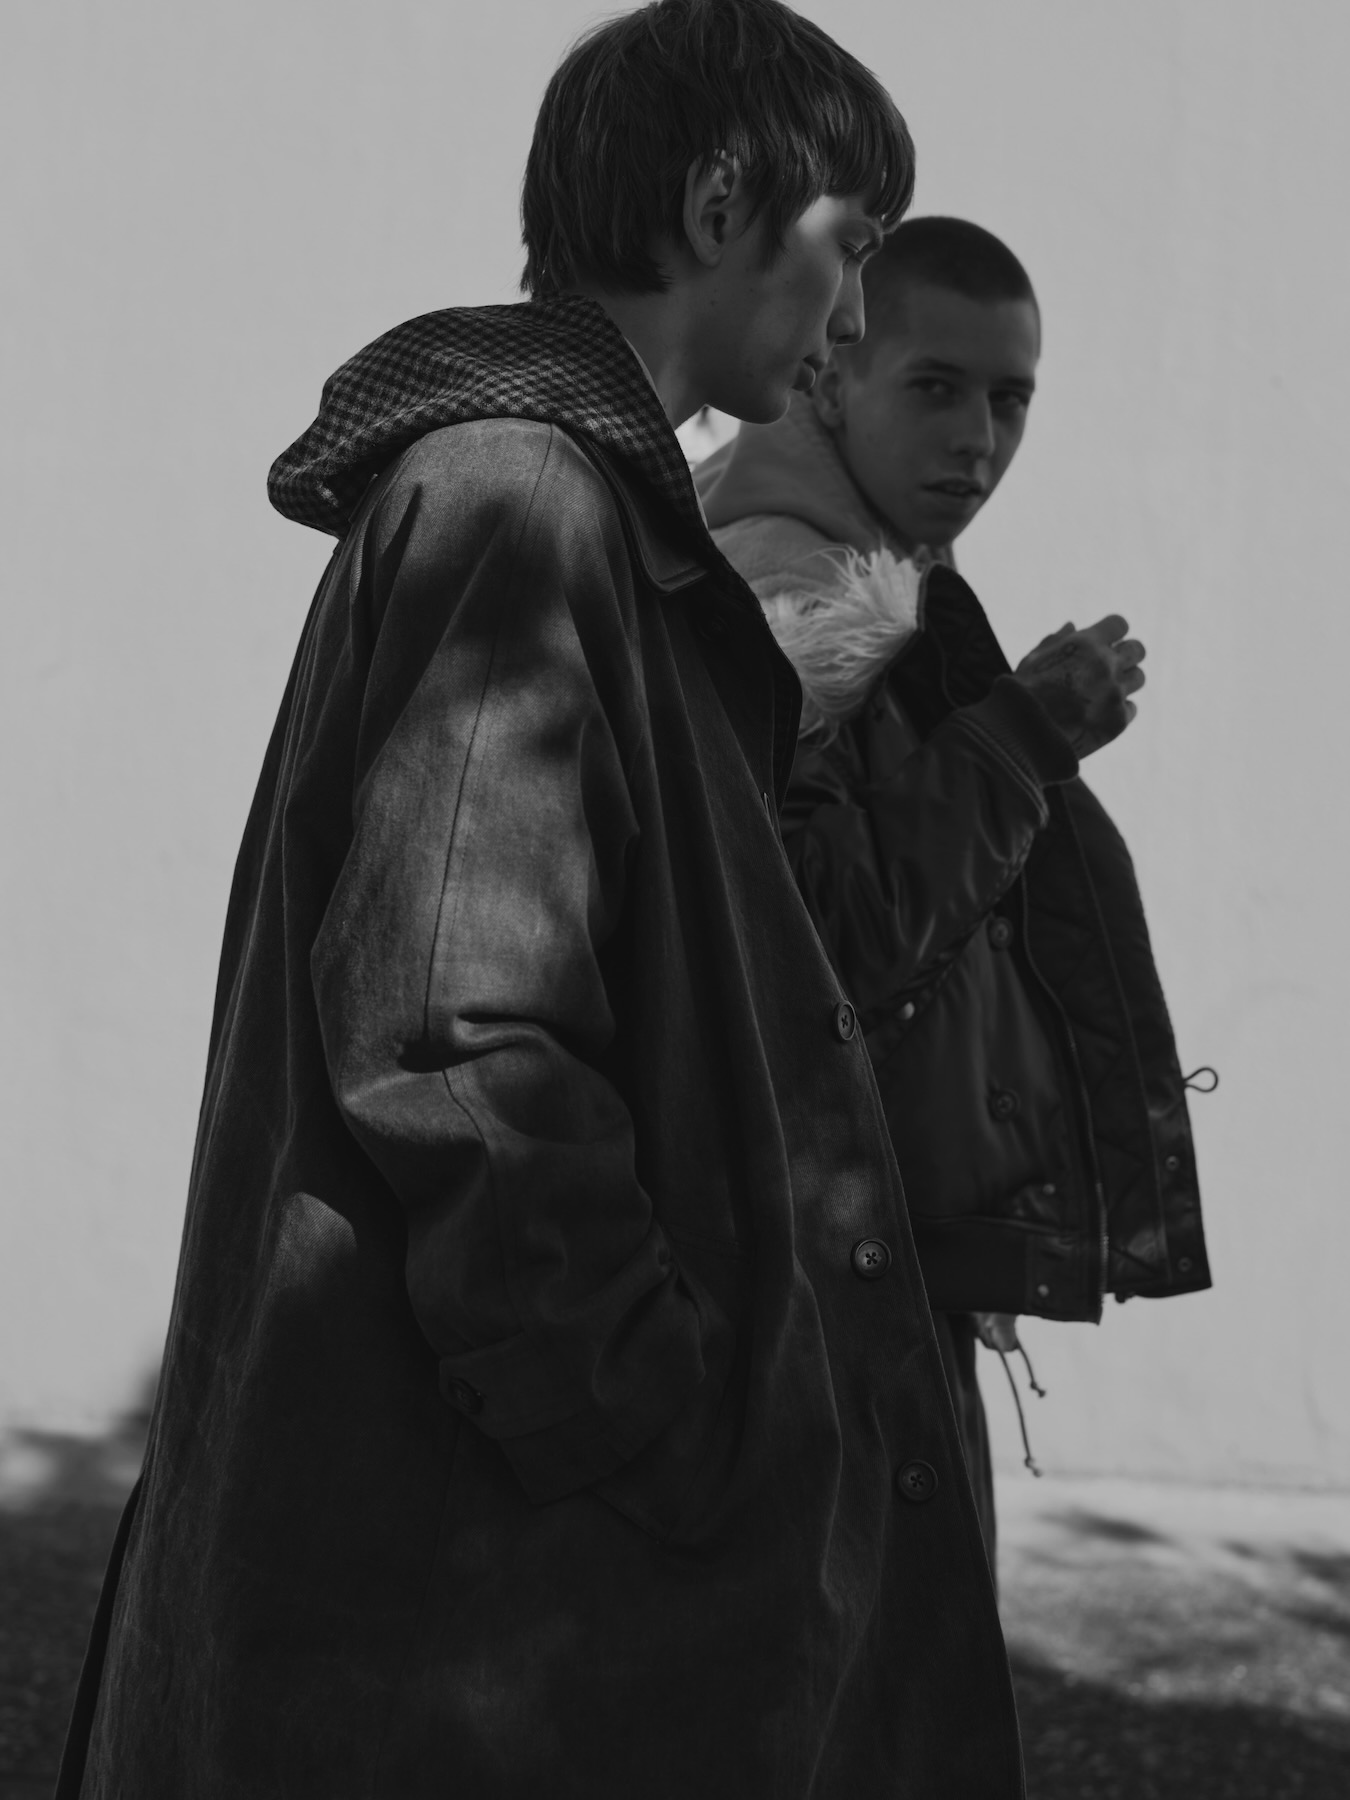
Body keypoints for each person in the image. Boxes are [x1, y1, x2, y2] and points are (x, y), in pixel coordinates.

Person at [57, 16, 1028, 1800]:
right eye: (849, 246)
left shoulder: (578, 503)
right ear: (720, 201)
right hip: (478, 1576)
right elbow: (458, 1033)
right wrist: (661, 1422)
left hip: (510, 1547)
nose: (852, 318)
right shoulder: (519, 497)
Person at [696, 216, 1212, 1562]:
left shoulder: (873, 563)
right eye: (935, 387)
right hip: (806, 1281)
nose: (978, 439)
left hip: (863, 1250)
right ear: (829, 378)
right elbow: (800, 948)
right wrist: (1017, 742)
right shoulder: (798, 588)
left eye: (1010, 399)